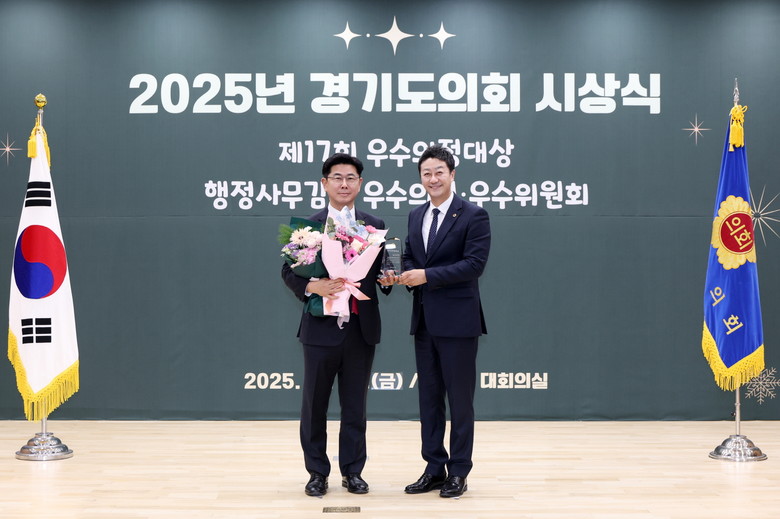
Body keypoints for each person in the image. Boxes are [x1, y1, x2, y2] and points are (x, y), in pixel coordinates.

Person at [281, 153, 393, 497]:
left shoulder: (374, 225)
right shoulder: (308, 227)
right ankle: (317, 472)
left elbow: (383, 273)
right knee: (314, 405)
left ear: (360, 183)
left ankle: (352, 471)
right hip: (320, 328)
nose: (344, 184)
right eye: (337, 178)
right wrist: (312, 286)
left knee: (355, 405)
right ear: (324, 183)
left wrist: (390, 278)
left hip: (360, 328)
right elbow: (289, 272)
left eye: (351, 178)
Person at [396, 144, 491, 498]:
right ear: (420, 178)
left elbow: (474, 265)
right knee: (429, 399)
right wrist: (404, 273)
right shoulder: (415, 214)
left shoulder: (474, 215)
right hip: (424, 321)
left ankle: (459, 471)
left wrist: (426, 276)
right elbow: (410, 255)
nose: (433, 179)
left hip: (458, 323)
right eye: (426, 173)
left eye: (439, 172)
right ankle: (434, 468)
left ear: (452, 174)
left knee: (460, 402)